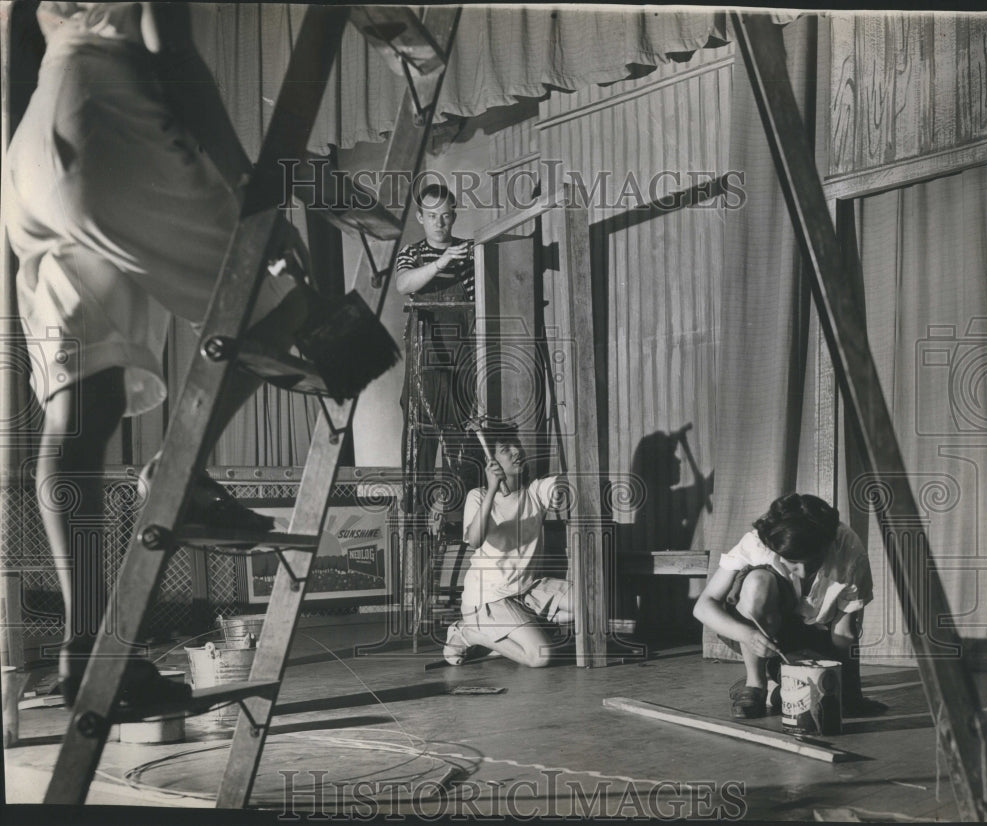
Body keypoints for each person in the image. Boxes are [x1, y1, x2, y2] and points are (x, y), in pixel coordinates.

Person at [3, 3, 389, 705]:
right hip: (107, 115)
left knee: (82, 413)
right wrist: (256, 195)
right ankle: (177, 477)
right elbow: (172, 54)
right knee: (283, 307)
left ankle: (88, 651)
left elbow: (12, 56)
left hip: (29, 153)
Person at [693, 493, 876, 719]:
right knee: (757, 582)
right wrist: (748, 635)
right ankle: (755, 684)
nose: (802, 572)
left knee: (811, 695)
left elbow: (844, 632)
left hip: (816, 636)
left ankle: (776, 681)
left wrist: (850, 695)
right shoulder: (758, 543)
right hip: (760, 631)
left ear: (827, 545)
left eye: (811, 562)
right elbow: (703, 606)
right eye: (792, 562)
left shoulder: (847, 548)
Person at [443, 429, 572, 667]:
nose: (517, 452)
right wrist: (492, 489)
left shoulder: (534, 492)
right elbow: (474, 540)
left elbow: (565, 483)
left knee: (589, 603)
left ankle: (514, 633)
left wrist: (564, 483)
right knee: (541, 656)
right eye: (505, 450)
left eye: (517, 446)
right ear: (490, 462)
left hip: (527, 591)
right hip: (489, 599)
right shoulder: (479, 496)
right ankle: (469, 632)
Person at [395, 183, 480, 521]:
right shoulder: (412, 253)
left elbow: (482, 295)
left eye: (446, 216)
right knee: (419, 418)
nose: (440, 223)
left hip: (464, 342)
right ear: (420, 217)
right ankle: (416, 508)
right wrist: (442, 262)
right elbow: (404, 284)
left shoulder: (471, 250)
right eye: (432, 217)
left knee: (461, 421)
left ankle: (460, 510)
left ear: (454, 216)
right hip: (425, 341)